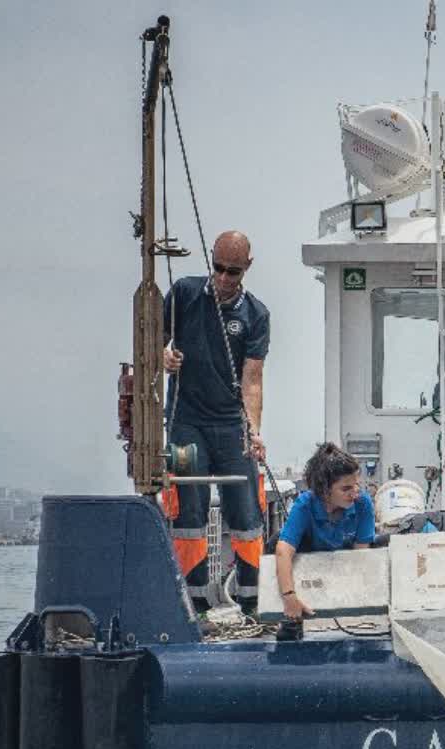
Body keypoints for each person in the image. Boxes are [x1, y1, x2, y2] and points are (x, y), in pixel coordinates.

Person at [161, 230, 271, 606]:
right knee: (189, 512)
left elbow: (252, 379)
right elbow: (150, 343)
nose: (224, 279)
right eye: (219, 268)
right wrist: (164, 357)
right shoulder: (184, 294)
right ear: (211, 260)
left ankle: (250, 601)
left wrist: (253, 431)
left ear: (247, 268)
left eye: (234, 272)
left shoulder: (256, 315)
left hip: (230, 424)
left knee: (245, 509)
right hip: (185, 421)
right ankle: (197, 604)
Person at [274, 443, 376, 623]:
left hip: (344, 566)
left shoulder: (363, 504)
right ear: (324, 490)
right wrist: (289, 597)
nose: (354, 494)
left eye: (356, 486)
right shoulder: (305, 504)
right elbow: (283, 550)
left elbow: (361, 556)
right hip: (310, 567)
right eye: (346, 489)